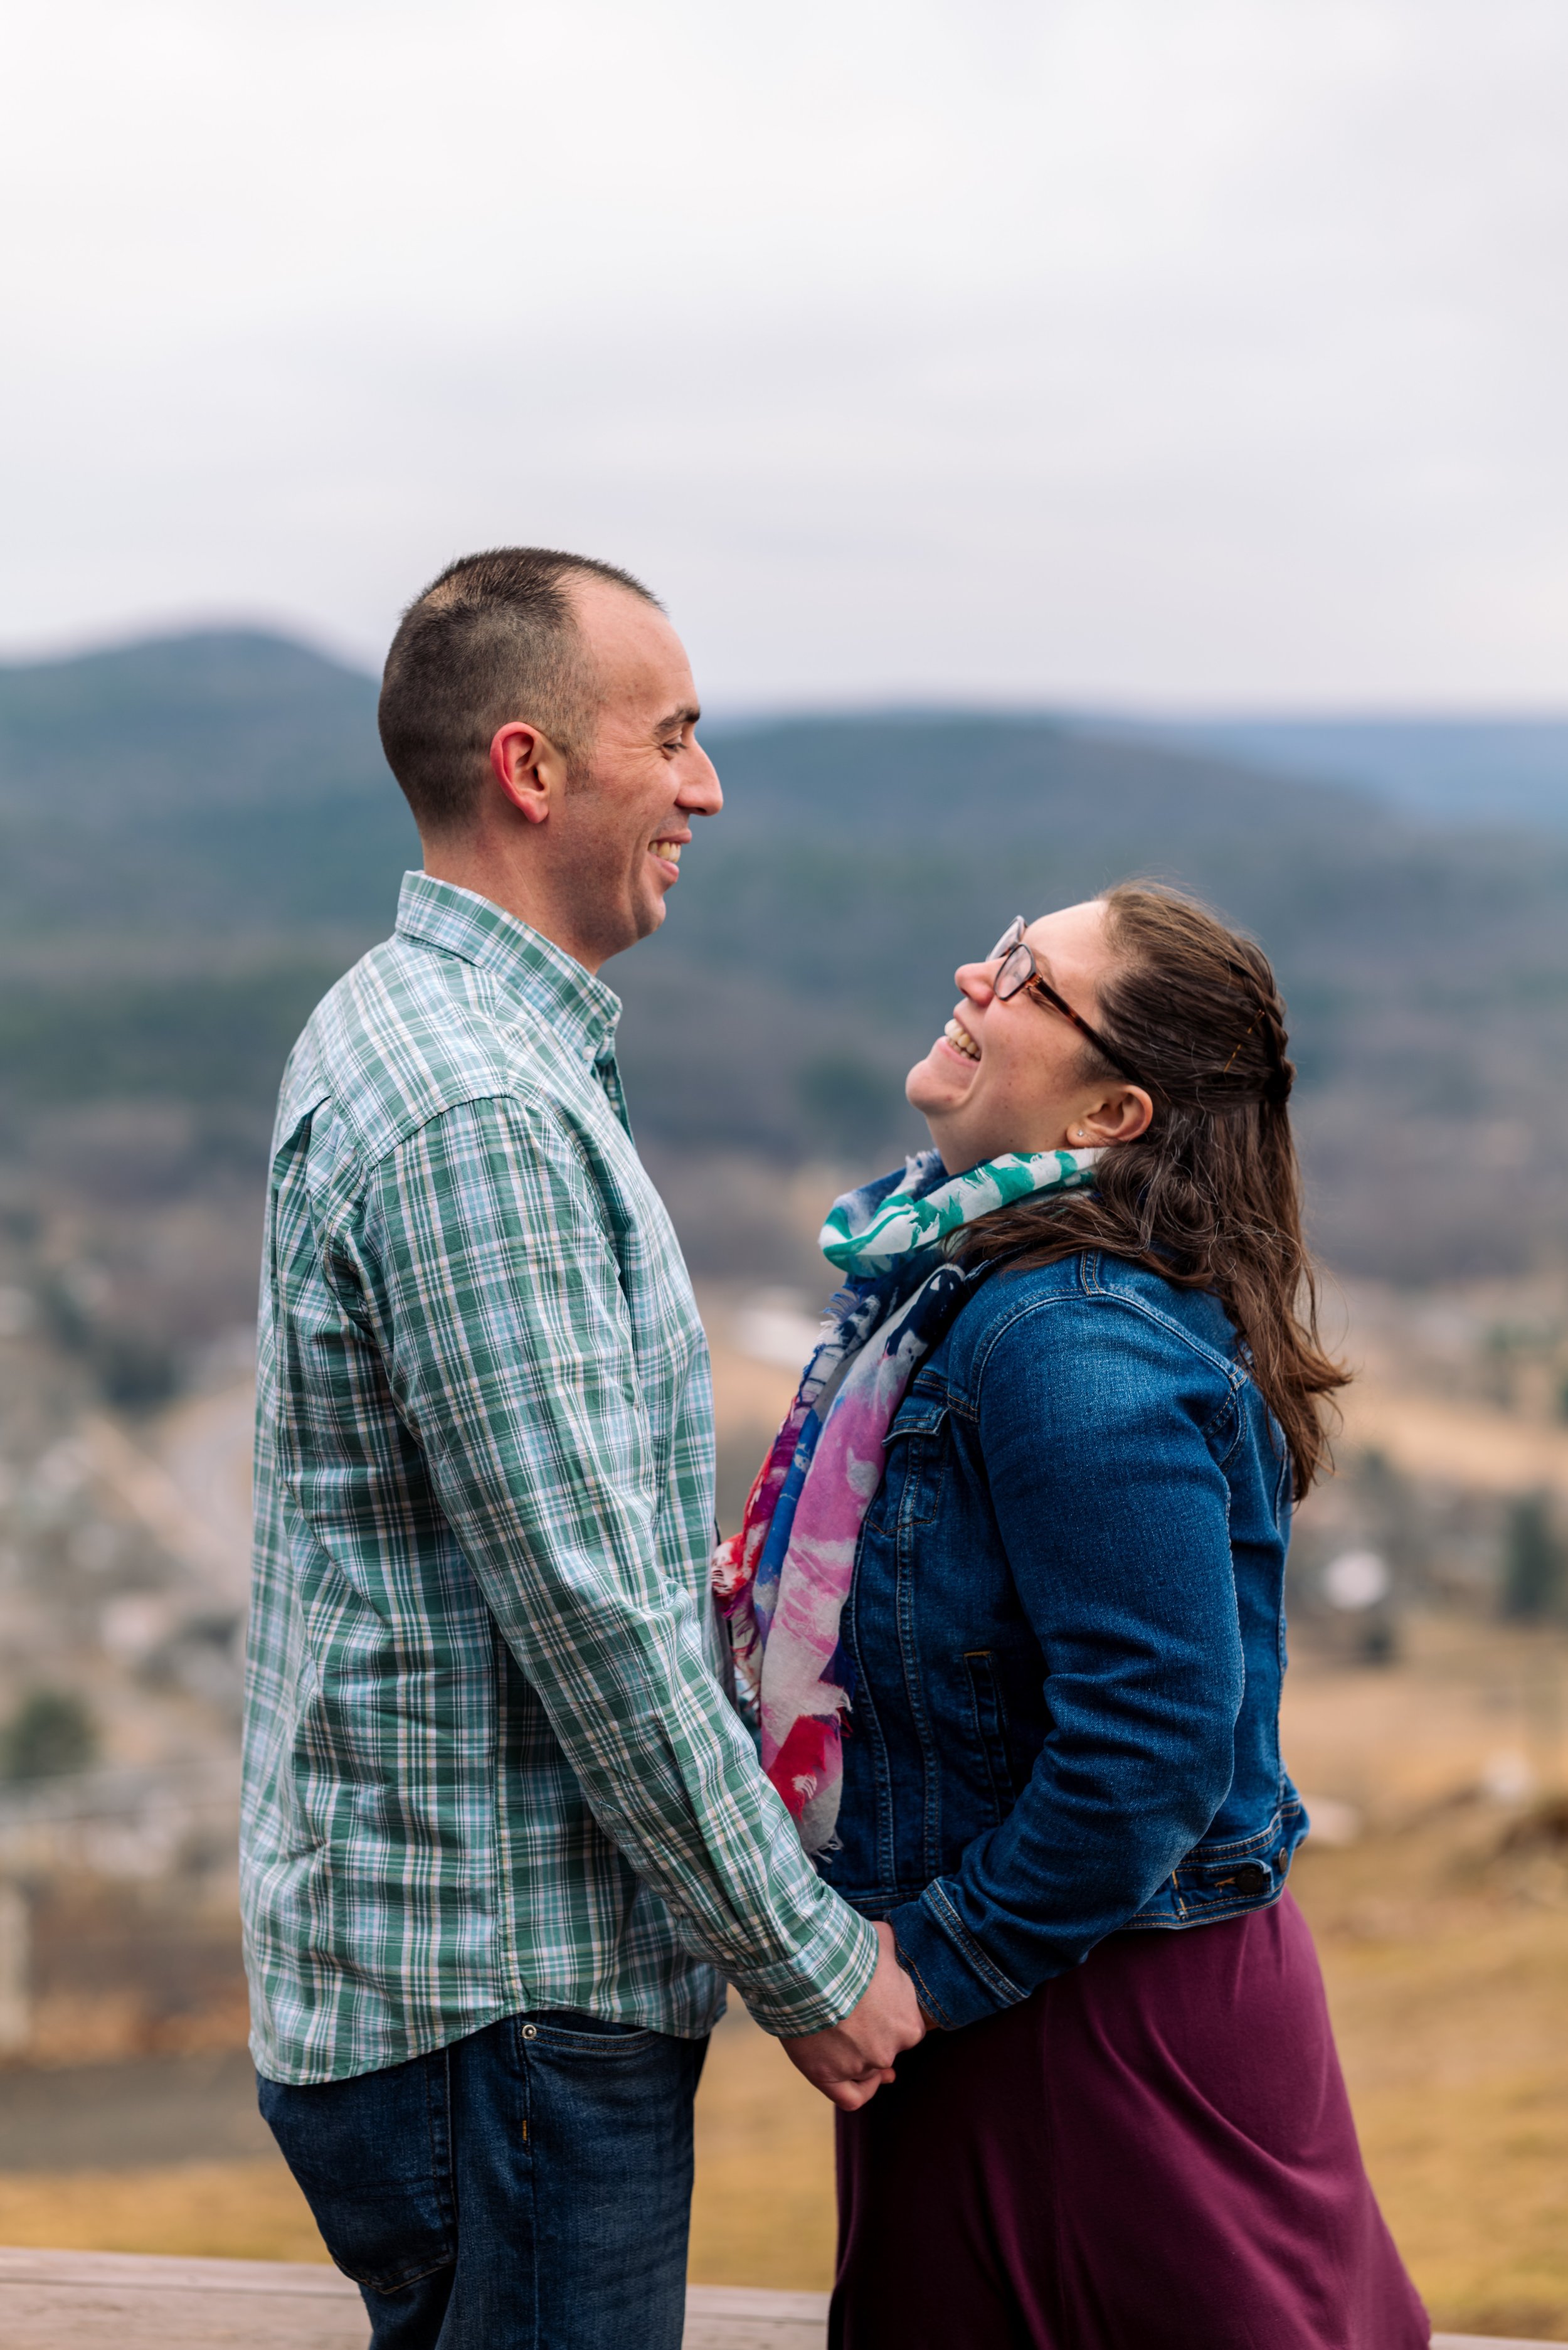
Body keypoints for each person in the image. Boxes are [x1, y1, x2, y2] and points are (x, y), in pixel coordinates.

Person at [241, 547, 922, 2350]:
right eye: (673, 737)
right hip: (510, 2015)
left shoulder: (422, 1028)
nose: (704, 786)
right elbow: (583, 1624)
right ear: (533, 770)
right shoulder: (477, 1104)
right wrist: (809, 1960)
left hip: (467, 2002)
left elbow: (536, 1551)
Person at [717, 885, 1429, 2349]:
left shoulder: (1065, 1335)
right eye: (1003, 944)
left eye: (1030, 979)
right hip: (1051, 1986)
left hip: (1088, 2015)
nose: (974, 974)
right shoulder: (968, 1283)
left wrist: (924, 1969)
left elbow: (1154, 1744)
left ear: (1112, 1109)